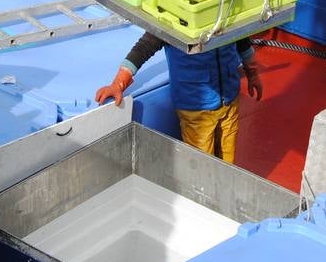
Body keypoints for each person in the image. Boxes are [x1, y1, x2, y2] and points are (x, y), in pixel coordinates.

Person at [95, 31, 262, 163]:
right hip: (196, 109)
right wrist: (118, 83)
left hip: (230, 100)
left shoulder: (225, 9)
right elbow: (145, 47)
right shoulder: (174, 17)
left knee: (228, 161)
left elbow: (242, 38)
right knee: (202, 166)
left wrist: (253, 73)